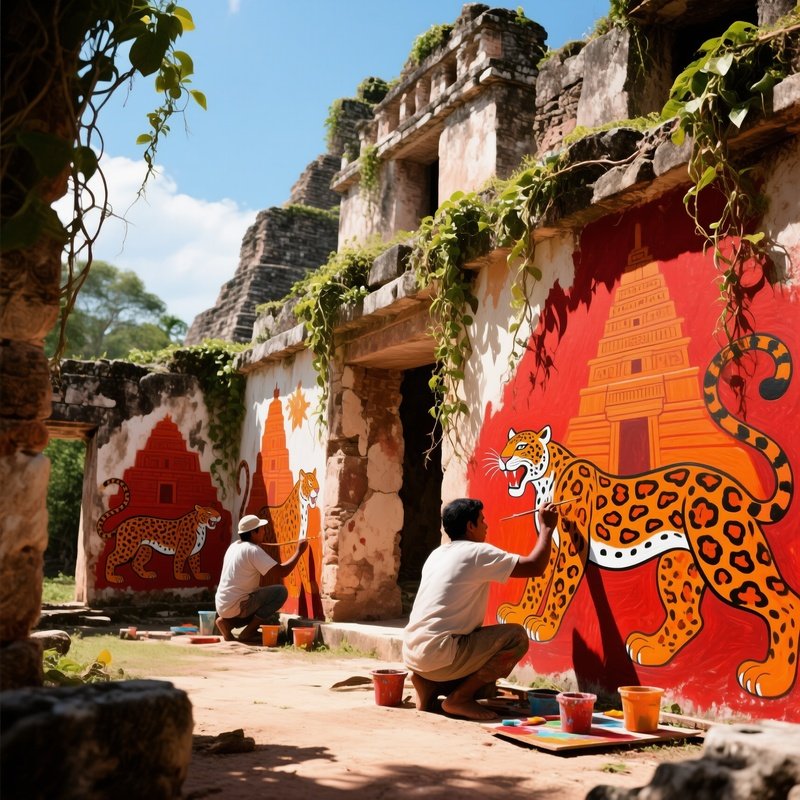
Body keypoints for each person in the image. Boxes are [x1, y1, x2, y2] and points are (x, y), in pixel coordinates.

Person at [402, 497, 559, 721]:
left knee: (487, 689)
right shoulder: (477, 552)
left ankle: (427, 684)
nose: (486, 525)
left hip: (413, 654)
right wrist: (546, 528)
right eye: (482, 520)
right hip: (440, 653)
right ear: (470, 526)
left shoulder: (436, 554)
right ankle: (460, 698)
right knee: (516, 637)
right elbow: (534, 566)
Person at [215, 513, 309, 643]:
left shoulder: (234, 546)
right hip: (239, 605)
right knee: (280, 592)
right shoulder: (252, 550)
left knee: (258, 599)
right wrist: (299, 552)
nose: (265, 531)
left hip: (222, 606)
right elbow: (282, 572)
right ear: (253, 533)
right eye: (262, 529)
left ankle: (227, 623)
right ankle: (247, 633)